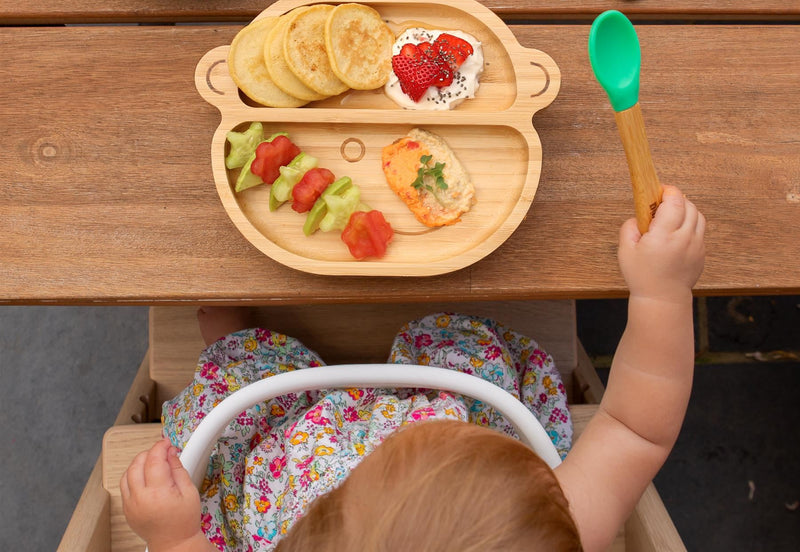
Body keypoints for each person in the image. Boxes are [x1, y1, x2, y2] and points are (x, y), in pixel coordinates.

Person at [120, 185, 705, 552]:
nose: (373, 452)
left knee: (235, 416)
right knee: (479, 361)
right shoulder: (554, 534)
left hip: (286, 465)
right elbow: (633, 427)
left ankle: (236, 343)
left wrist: (174, 535)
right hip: (464, 405)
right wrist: (662, 293)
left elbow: (635, 433)